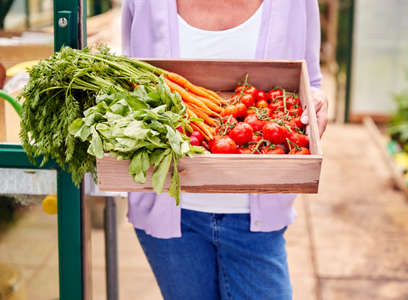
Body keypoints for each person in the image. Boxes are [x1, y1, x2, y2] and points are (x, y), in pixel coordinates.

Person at [121, 0, 328, 299]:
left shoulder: (294, 4)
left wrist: (318, 102)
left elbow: (309, 81)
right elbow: (131, 79)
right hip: (171, 213)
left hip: (255, 222)